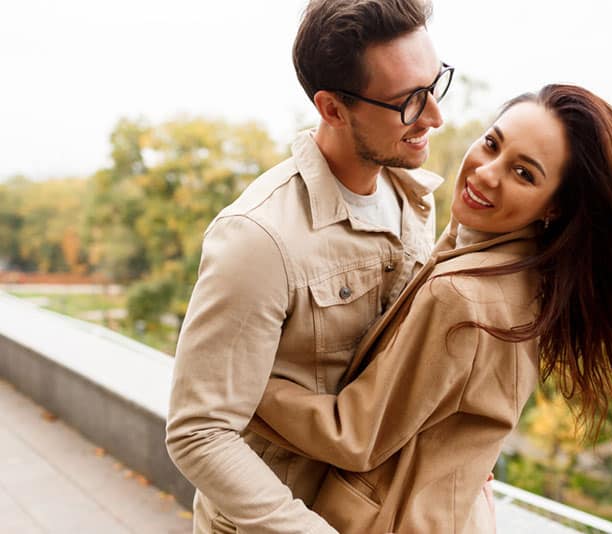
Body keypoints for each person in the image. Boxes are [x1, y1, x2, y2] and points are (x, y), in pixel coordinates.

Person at [248, 84, 612, 533]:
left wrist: (247, 385)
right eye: (491, 144)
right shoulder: (526, 278)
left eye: (524, 172)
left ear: (553, 205)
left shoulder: (465, 294)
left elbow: (356, 434)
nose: (487, 172)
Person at [165, 1, 450, 532]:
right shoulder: (258, 237)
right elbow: (198, 432)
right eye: (408, 101)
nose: (434, 116)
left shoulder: (415, 202)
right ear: (333, 108)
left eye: (435, 85)